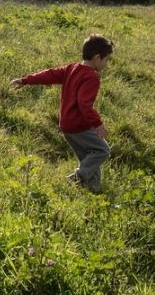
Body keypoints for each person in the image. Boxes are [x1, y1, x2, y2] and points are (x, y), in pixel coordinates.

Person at [10, 34, 114, 192]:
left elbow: (49, 74)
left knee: (88, 157)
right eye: (106, 60)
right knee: (102, 150)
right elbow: (84, 104)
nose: (106, 64)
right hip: (80, 125)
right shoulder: (91, 77)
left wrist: (25, 80)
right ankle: (78, 177)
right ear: (97, 57)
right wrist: (97, 123)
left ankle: (92, 188)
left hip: (66, 125)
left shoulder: (71, 68)